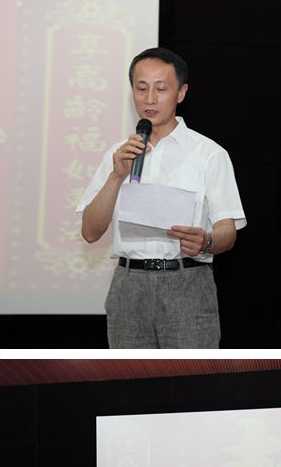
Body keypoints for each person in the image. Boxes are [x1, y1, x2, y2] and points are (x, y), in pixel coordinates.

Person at [76, 47, 246, 348]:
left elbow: (227, 231)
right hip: (128, 286)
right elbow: (90, 232)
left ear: (181, 93)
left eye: (161, 89)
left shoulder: (209, 154)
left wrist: (206, 241)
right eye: (141, 88)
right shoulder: (118, 154)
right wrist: (116, 176)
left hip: (186, 283)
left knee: (189, 374)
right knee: (129, 374)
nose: (150, 99)